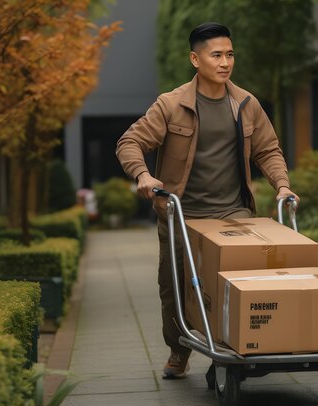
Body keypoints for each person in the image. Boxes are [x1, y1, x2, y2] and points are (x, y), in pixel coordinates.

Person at [115, 22, 299, 379]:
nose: (225, 62)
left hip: (234, 214)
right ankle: (179, 349)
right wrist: (144, 175)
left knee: (239, 286)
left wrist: (282, 185)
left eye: (230, 54)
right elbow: (129, 142)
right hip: (181, 214)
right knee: (174, 287)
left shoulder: (246, 103)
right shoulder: (171, 105)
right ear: (195, 59)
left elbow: (269, 150)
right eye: (216, 55)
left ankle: (238, 347)